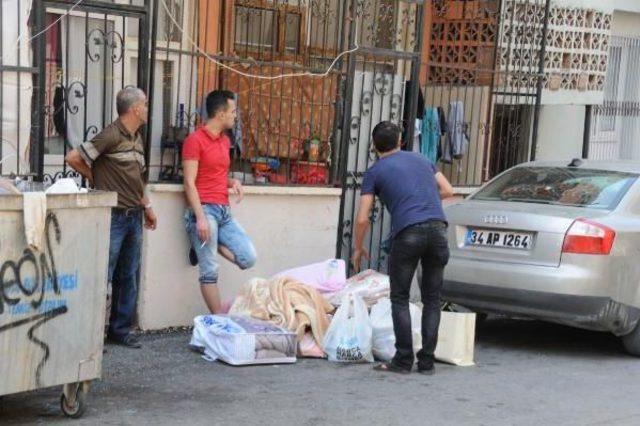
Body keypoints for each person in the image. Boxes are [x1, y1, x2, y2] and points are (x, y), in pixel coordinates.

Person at [351, 121, 454, 375]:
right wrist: (423, 199)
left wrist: (358, 247)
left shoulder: (375, 172)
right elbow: (448, 189)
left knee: (399, 297)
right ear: (400, 141)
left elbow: (363, 218)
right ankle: (427, 362)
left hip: (408, 233)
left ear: (374, 146)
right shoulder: (421, 159)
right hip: (439, 230)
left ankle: (404, 360)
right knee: (432, 299)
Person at [66, 87, 157, 349]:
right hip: (114, 216)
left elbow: (137, 180)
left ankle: (119, 330)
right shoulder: (111, 134)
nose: (148, 109)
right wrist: (98, 180)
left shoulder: (136, 138)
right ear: (135, 109)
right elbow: (73, 157)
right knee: (101, 274)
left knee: (127, 275)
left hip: (133, 216)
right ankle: (90, 333)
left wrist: (148, 207)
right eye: (146, 104)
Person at [183, 90, 257, 314]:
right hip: (205, 210)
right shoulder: (194, 140)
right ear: (221, 113)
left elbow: (214, 175)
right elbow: (189, 182)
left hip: (224, 212)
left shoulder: (225, 142)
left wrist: (231, 181)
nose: (236, 116)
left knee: (248, 258)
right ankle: (219, 322)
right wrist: (201, 218)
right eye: (233, 111)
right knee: (210, 271)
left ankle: (204, 246)